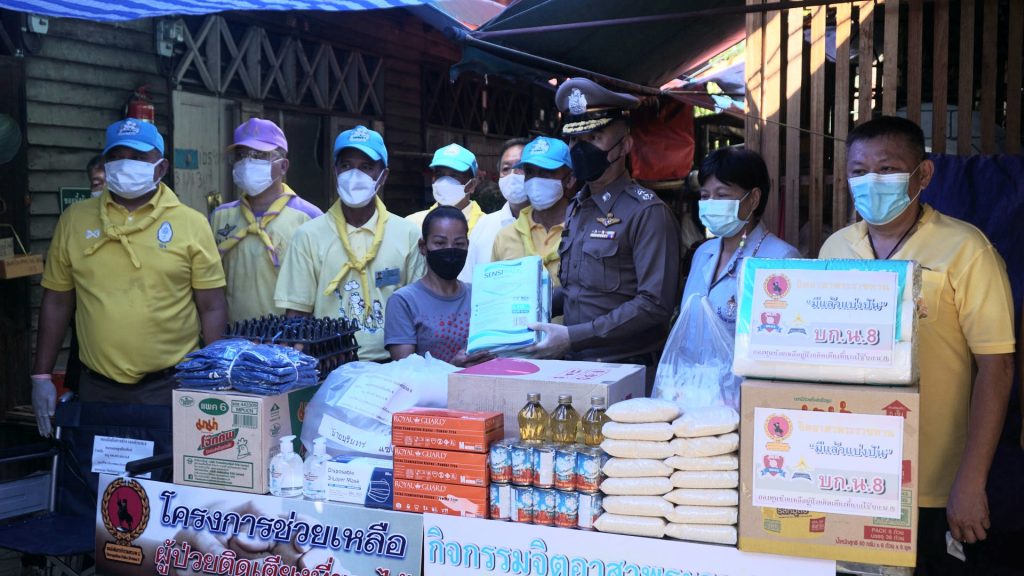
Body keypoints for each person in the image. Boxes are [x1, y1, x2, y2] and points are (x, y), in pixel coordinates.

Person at [818, 116, 1014, 573]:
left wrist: (971, 480)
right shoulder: (834, 250)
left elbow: (997, 368)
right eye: (859, 170)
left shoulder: (967, 249)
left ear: (922, 174)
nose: (872, 181)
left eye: (887, 169)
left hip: (934, 483)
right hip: (850, 475)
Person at [30, 118, 227, 435]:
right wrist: (41, 376)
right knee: (98, 468)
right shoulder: (75, 220)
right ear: (105, 164)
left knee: (164, 468)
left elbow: (212, 305)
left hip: (169, 386)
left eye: (138, 157)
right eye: (117, 156)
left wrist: (213, 377)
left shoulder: (191, 224)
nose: (126, 164)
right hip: (97, 388)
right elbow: (57, 301)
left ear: (161, 167)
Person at [528, 78, 681, 375]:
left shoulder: (647, 212)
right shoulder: (577, 206)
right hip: (574, 367)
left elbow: (654, 304)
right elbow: (577, 291)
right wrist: (525, 304)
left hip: (627, 369)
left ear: (624, 145)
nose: (581, 148)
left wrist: (573, 336)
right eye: (575, 140)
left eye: (594, 137)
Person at [274, 125, 424, 362]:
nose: (355, 175)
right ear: (335, 171)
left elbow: (419, 310)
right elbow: (297, 314)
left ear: (383, 176)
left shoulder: (407, 234)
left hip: (392, 365)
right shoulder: (308, 236)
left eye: (366, 167)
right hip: (329, 364)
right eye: (346, 166)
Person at [210, 118, 322, 323]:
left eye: (259, 156)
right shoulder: (220, 217)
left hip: (289, 337)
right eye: (241, 156)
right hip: (232, 336)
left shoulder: (309, 218)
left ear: (283, 166)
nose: (247, 163)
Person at [681, 147, 799, 325]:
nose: (711, 203)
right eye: (705, 196)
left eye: (721, 195)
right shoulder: (702, 253)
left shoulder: (781, 259)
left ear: (753, 198)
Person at [384, 206, 494, 367]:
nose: (450, 250)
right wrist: (452, 368)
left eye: (459, 243)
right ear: (423, 247)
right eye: (440, 243)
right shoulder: (403, 301)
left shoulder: (478, 295)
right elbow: (405, 371)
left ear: (467, 246)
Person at [491, 136, 575, 285]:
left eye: (546, 172)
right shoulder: (505, 237)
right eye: (529, 172)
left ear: (570, 179)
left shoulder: (583, 230)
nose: (536, 180)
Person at [460, 137, 531, 282]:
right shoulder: (483, 227)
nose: (513, 175)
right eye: (506, 169)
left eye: (521, 167)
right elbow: (468, 282)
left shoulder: (555, 225)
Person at [406, 143, 486, 235]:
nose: (445, 181)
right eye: (440, 174)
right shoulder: (413, 225)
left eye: (454, 175)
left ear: (472, 185)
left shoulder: (487, 226)